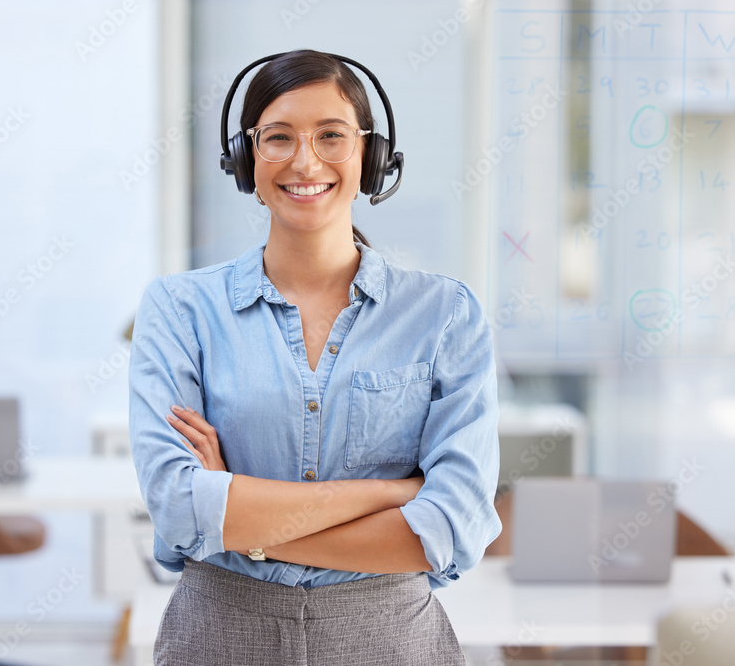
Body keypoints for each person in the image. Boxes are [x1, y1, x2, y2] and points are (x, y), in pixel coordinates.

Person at [128, 49, 501, 666]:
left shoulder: (446, 315)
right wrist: (389, 494)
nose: (305, 161)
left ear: (371, 158)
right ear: (247, 160)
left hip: (387, 642)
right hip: (220, 638)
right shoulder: (179, 309)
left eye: (331, 136)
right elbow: (176, 505)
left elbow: (451, 527)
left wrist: (244, 524)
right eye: (278, 138)